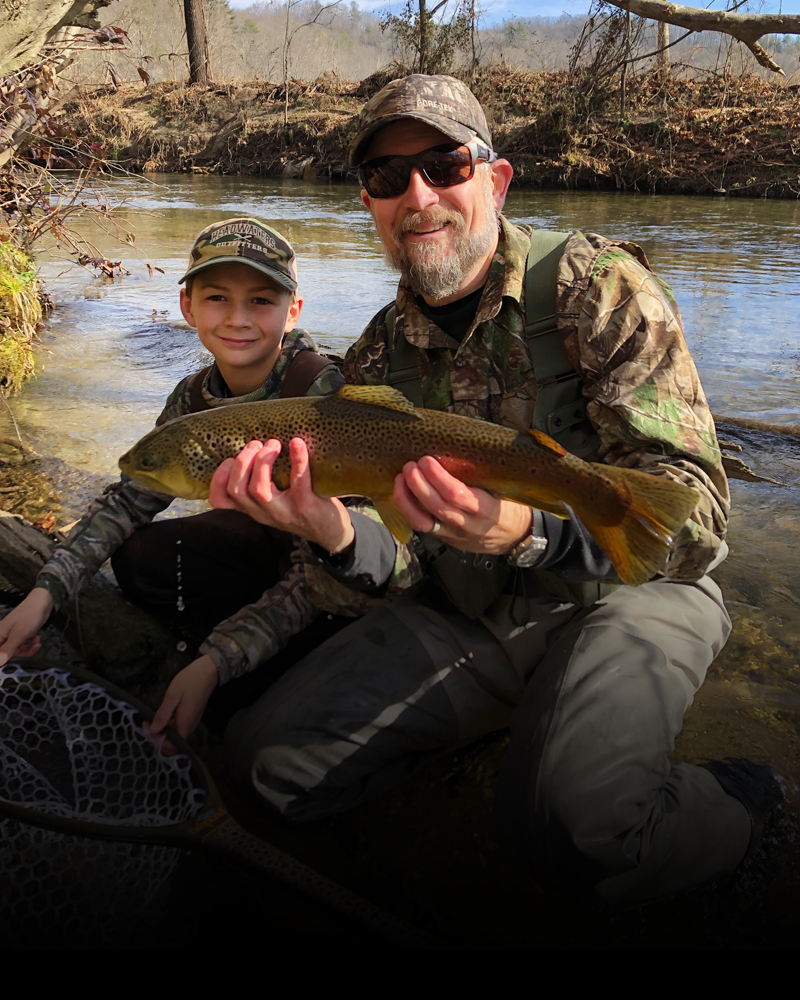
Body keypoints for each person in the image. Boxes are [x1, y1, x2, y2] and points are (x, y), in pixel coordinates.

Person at [205, 77, 790, 908]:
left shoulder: (596, 287)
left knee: (573, 830)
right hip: (468, 608)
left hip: (626, 592)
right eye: (386, 177)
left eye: (444, 165)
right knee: (267, 765)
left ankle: (738, 800)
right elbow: (394, 570)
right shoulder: (373, 360)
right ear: (369, 203)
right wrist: (331, 534)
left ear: (496, 178)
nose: (418, 195)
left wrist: (530, 532)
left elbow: (695, 518)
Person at [0, 217, 391, 740]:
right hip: (266, 555)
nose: (237, 318)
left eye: (260, 300)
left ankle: (253, 659)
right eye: (216, 298)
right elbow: (127, 502)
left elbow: (350, 557)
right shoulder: (191, 397)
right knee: (141, 560)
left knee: (239, 703)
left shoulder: (322, 391)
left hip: (335, 576)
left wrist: (217, 659)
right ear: (187, 306)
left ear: (292, 310)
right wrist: (42, 597)